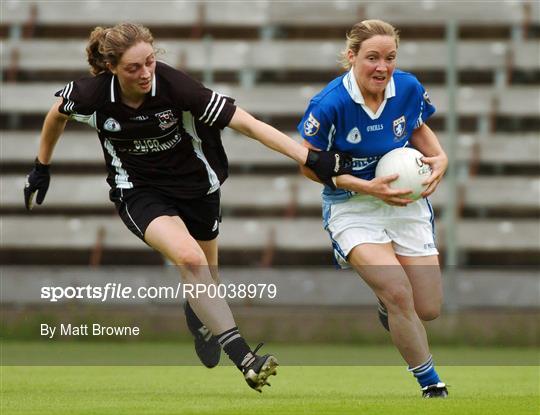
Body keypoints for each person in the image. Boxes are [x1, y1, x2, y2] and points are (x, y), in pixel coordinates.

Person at [23, 22, 351, 392]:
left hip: (198, 190)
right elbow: (57, 115)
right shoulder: (91, 95)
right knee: (190, 260)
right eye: (134, 67)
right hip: (139, 192)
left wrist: (309, 157)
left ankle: (197, 316)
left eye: (150, 61)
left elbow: (250, 125)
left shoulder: (178, 87)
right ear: (111, 67)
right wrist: (41, 166)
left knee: (208, 279)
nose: (146, 73)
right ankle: (245, 359)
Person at [298, 20, 449, 398]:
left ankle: (387, 307)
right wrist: (365, 186)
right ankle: (431, 383)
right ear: (351, 57)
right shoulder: (329, 103)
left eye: (390, 58)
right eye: (372, 58)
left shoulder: (408, 88)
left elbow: (416, 127)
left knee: (427, 308)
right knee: (399, 292)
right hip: (352, 206)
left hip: (404, 204)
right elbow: (307, 163)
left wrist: (440, 156)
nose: (382, 67)